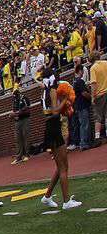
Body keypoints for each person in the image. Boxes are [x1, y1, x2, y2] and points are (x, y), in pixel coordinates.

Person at [40, 78, 82, 210]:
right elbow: (55, 111)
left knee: (60, 167)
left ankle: (47, 196)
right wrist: (65, 99)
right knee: (64, 167)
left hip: (52, 128)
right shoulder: (51, 90)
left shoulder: (45, 92)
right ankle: (66, 202)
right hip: (53, 129)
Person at [11, 88, 31, 165]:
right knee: (17, 138)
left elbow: (28, 109)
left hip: (25, 119)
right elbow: (14, 110)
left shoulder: (24, 98)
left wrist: (17, 113)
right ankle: (19, 156)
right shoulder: (14, 100)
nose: (14, 97)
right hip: (17, 121)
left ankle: (26, 154)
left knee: (25, 136)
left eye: (15, 95)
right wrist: (13, 115)